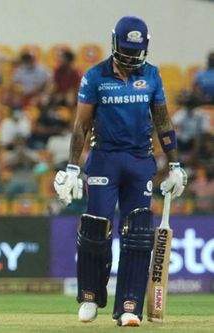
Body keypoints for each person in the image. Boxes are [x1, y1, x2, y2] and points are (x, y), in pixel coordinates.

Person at [53, 16, 188, 327]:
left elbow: (163, 122)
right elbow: (81, 125)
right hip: (104, 160)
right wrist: (73, 167)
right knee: (95, 230)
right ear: (114, 44)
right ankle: (89, 295)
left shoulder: (152, 76)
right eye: (125, 50)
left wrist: (176, 164)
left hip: (140, 162)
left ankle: (129, 306)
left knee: (139, 234)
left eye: (135, 51)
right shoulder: (95, 76)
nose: (130, 57)